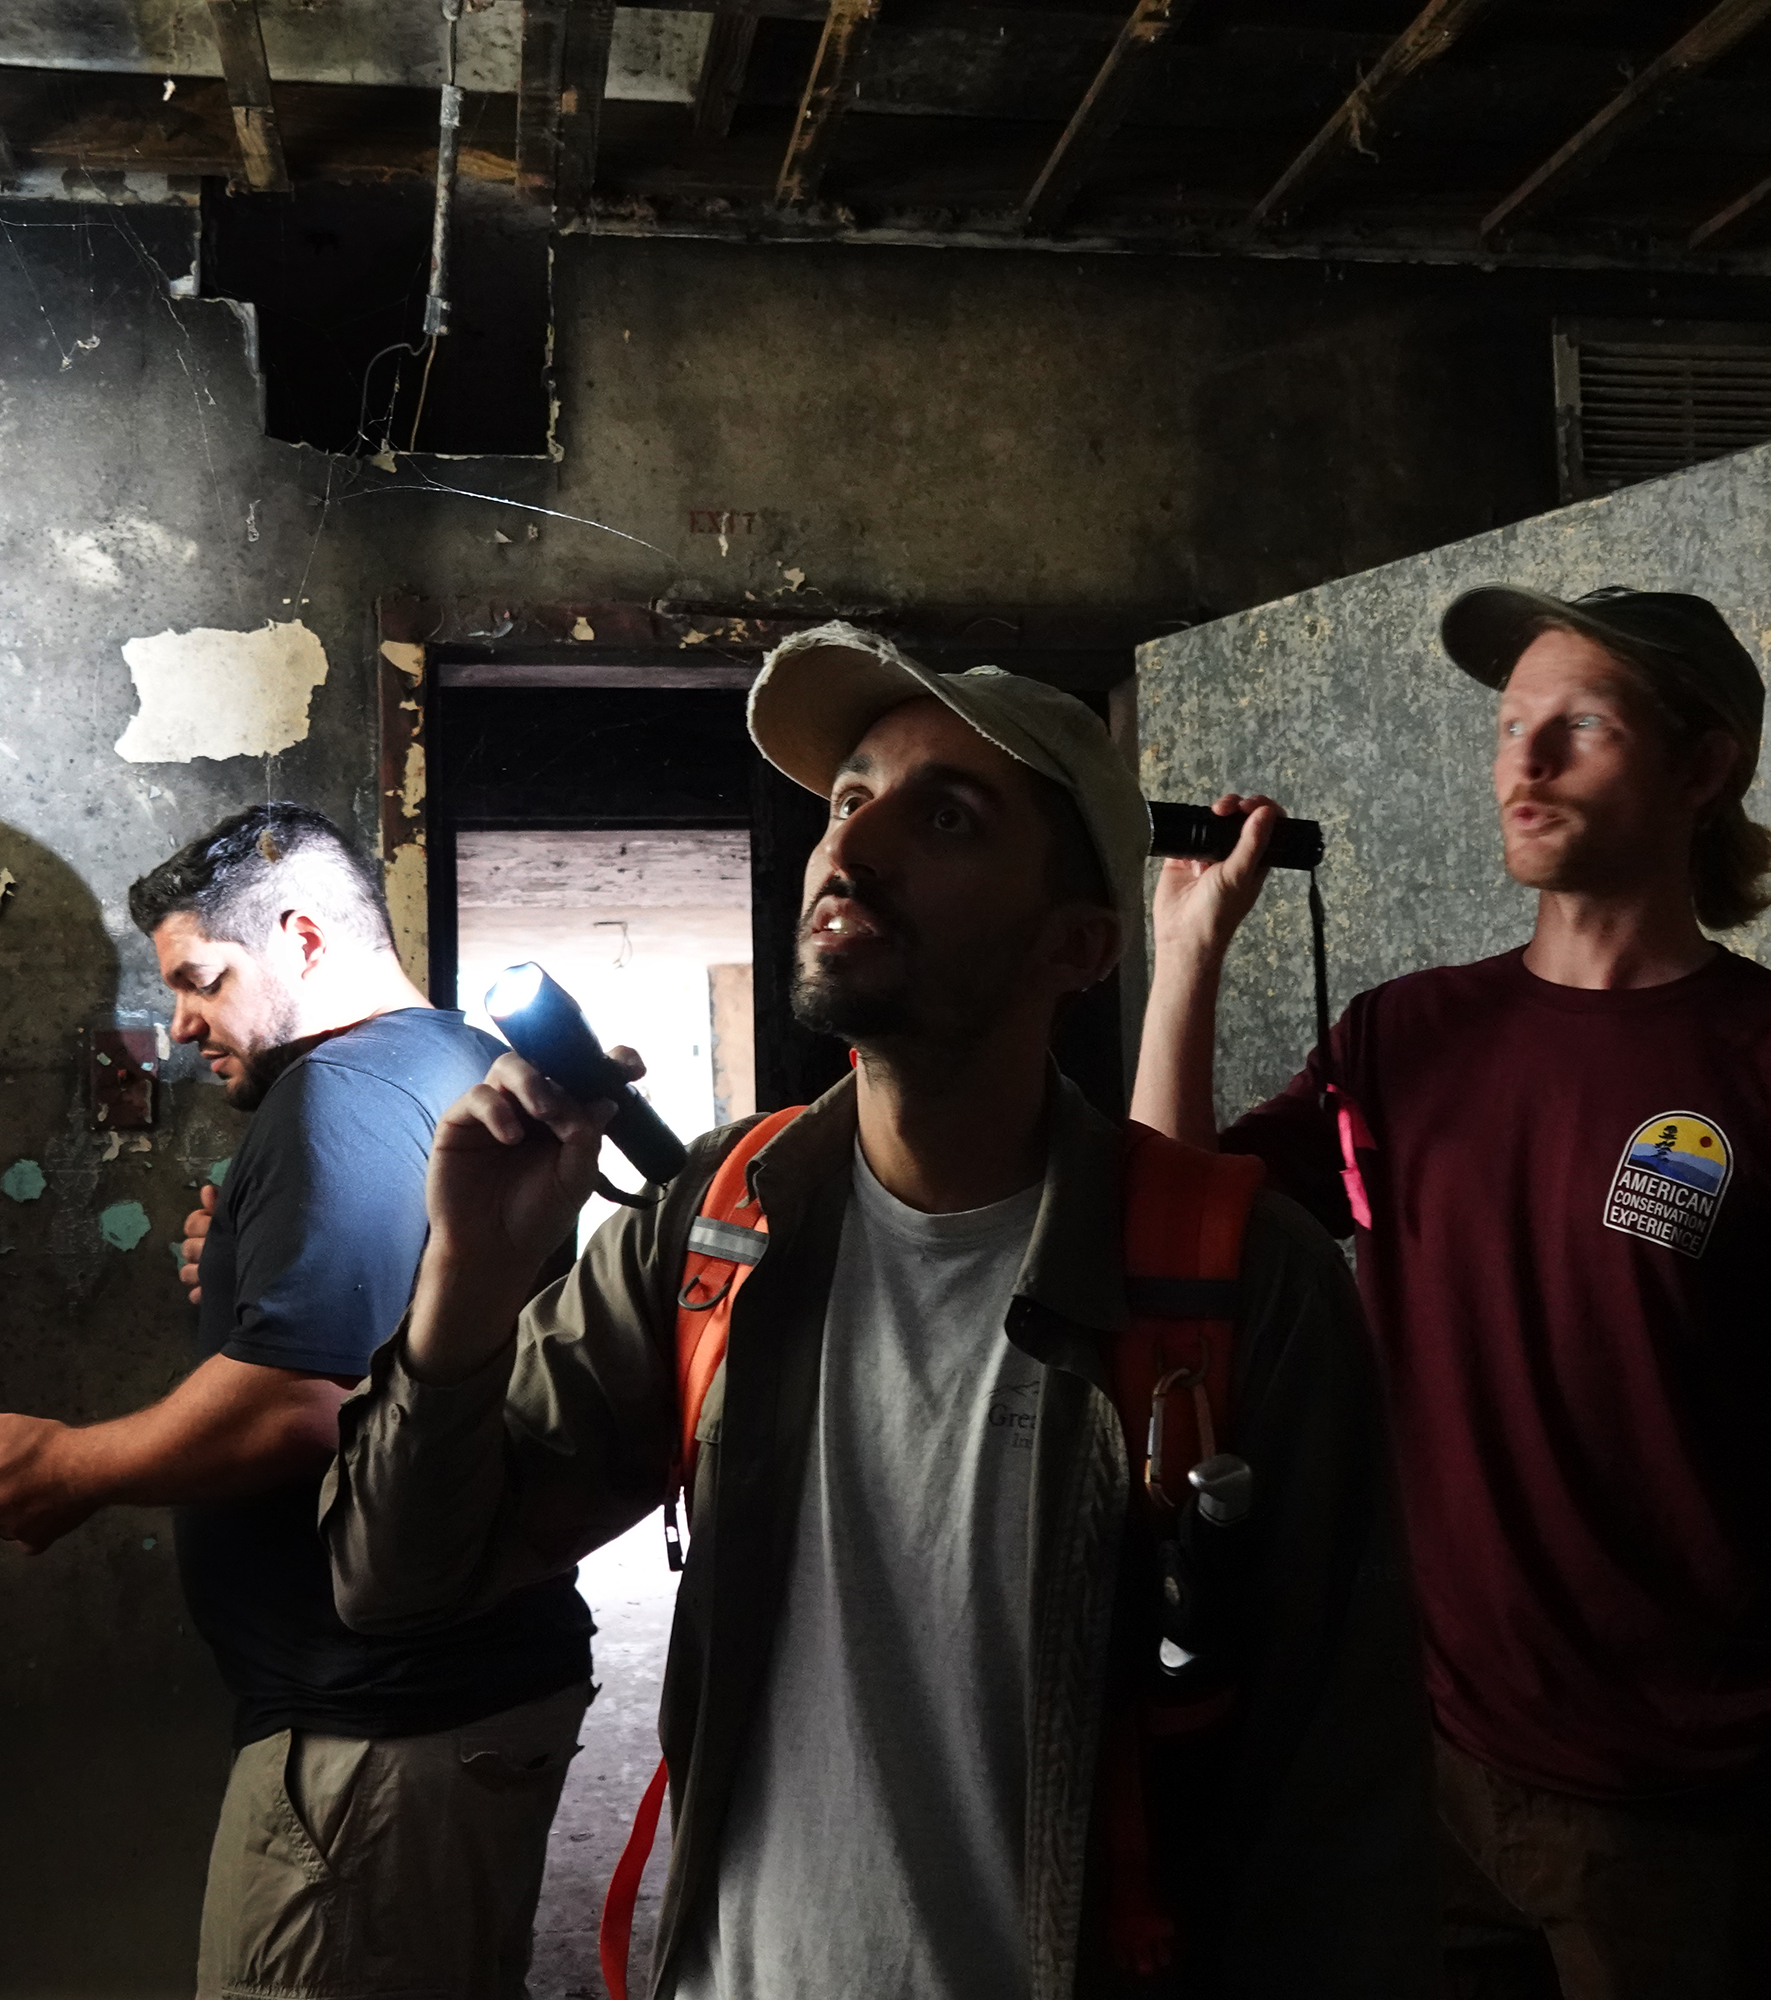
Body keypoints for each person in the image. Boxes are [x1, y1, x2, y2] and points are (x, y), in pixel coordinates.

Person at [324, 623, 1433, 1999]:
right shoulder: (712, 1225)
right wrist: (464, 1289)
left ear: (1077, 946)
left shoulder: (1243, 1279)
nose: (850, 851)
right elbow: (398, 1585)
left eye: (948, 818)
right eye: (848, 800)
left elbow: (1350, 1820)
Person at [1132, 587, 1771, 2000]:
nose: (1522, 765)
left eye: (1578, 726)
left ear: (1702, 771)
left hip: (1684, 1815)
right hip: (1417, 1770)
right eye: (1511, 727)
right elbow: (1170, 1237)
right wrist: (1187, 961)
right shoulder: (1404, 1038)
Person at [0, 801, 594, 2000]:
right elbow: (374, 1316)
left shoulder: (335, 1092)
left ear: (299, 937)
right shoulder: (452, 1059)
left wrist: (73, 1465)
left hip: (370, 1733)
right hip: (471, 1684)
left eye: (200, 980)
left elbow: (300, 1403)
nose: (180, 1024)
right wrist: (248, 1259)